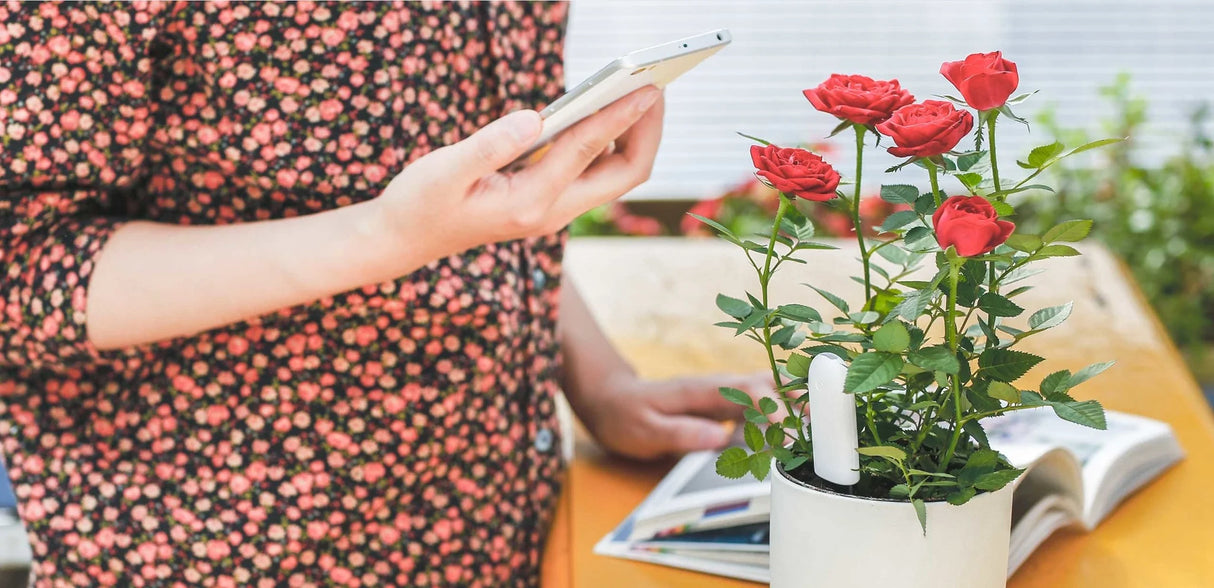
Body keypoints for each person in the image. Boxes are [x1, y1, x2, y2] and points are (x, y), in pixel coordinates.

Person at [0, 2, 766, 585]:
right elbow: (22, 267)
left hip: (500, 517)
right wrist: (385, 239)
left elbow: (475, 195)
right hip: (232, 545)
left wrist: (600, 381)